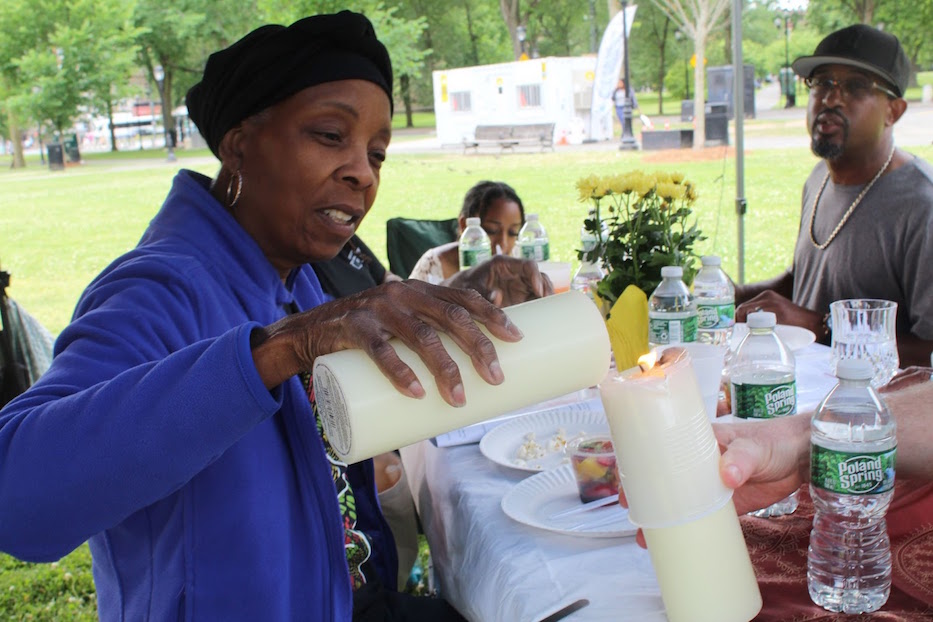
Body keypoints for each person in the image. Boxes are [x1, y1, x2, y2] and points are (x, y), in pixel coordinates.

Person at [0, 12, 552, 622]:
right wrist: (277, 351)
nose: (363, 174)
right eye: (328, 135)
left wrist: (459, 287)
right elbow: (16, 498)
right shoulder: (156, 290)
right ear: (238, 147)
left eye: (376, 153)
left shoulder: (297, 280)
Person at [734, 24, 933, 367]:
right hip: (805, 391)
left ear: (893, 111)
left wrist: (820, 326)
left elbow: (929, 350)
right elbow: (806, 280)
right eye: (822, 82)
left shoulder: (921, 205)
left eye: (856, 86)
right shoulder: (819, 178)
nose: (831, 98)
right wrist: (734, 296)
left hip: (874, 413)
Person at [408, 180, 525, 284]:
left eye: (513, 233)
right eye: (491, 231)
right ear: (464, 224)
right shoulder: (434, 265)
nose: (503, 244)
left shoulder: (520, 258)